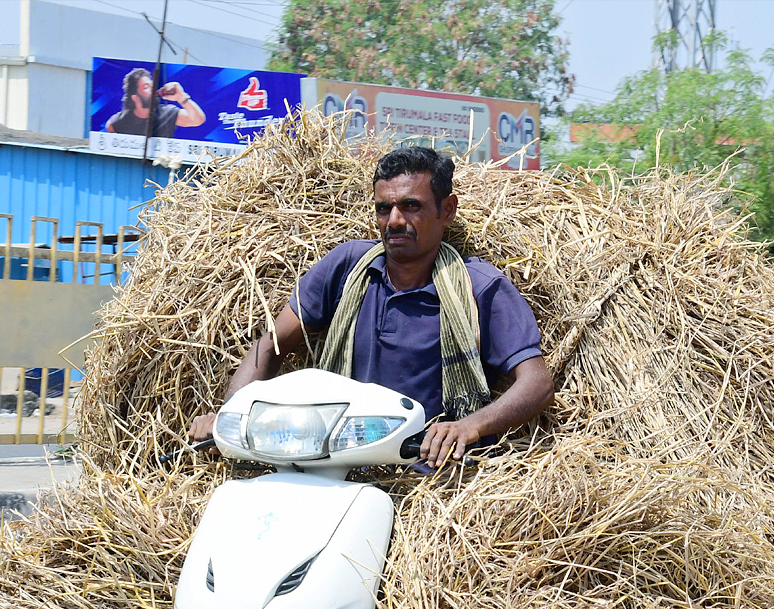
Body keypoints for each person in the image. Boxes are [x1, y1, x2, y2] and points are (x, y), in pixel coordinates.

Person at [190, 145, 554, 468]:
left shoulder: (480, 287)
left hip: (429, 477)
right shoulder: (347, 267)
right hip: (332, 464)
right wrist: (230, 416)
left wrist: (468, 426)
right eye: (384, 208)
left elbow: (537, 385)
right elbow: (271, 344)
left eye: (411, 206)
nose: (394, 221)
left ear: (447, 210)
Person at [104, 68, 205, 138]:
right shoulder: (117, 122)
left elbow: (197, 120)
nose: (153, 89)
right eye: (146, 87)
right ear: (135, 98)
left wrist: (181, 97)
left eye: (152, 85)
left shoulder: (167, 113)